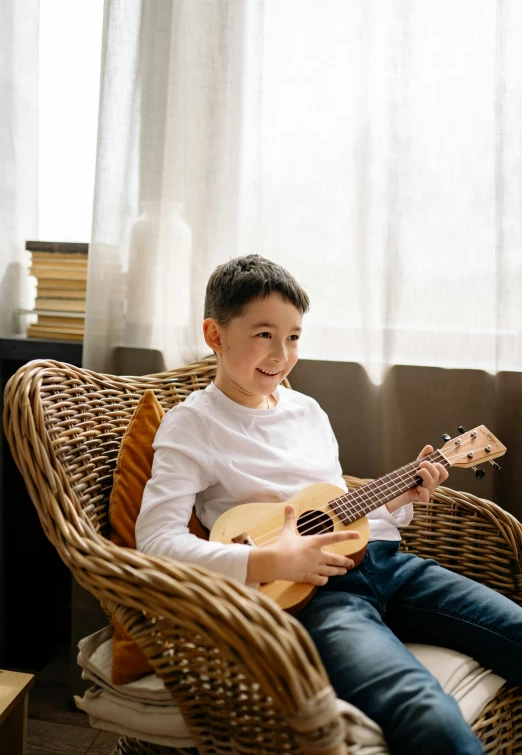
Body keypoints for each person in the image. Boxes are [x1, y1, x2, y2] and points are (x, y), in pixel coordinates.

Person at [136, 253, 522, 755]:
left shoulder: (308, 411)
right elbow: (155, 543)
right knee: (422, 709)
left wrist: (399, 499)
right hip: (316, 596)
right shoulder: (191, 426)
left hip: (389, 565)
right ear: (215, 335)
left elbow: (337, 504)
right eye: (263, 334)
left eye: (293, 336)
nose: (281, 353)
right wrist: (272, 560)